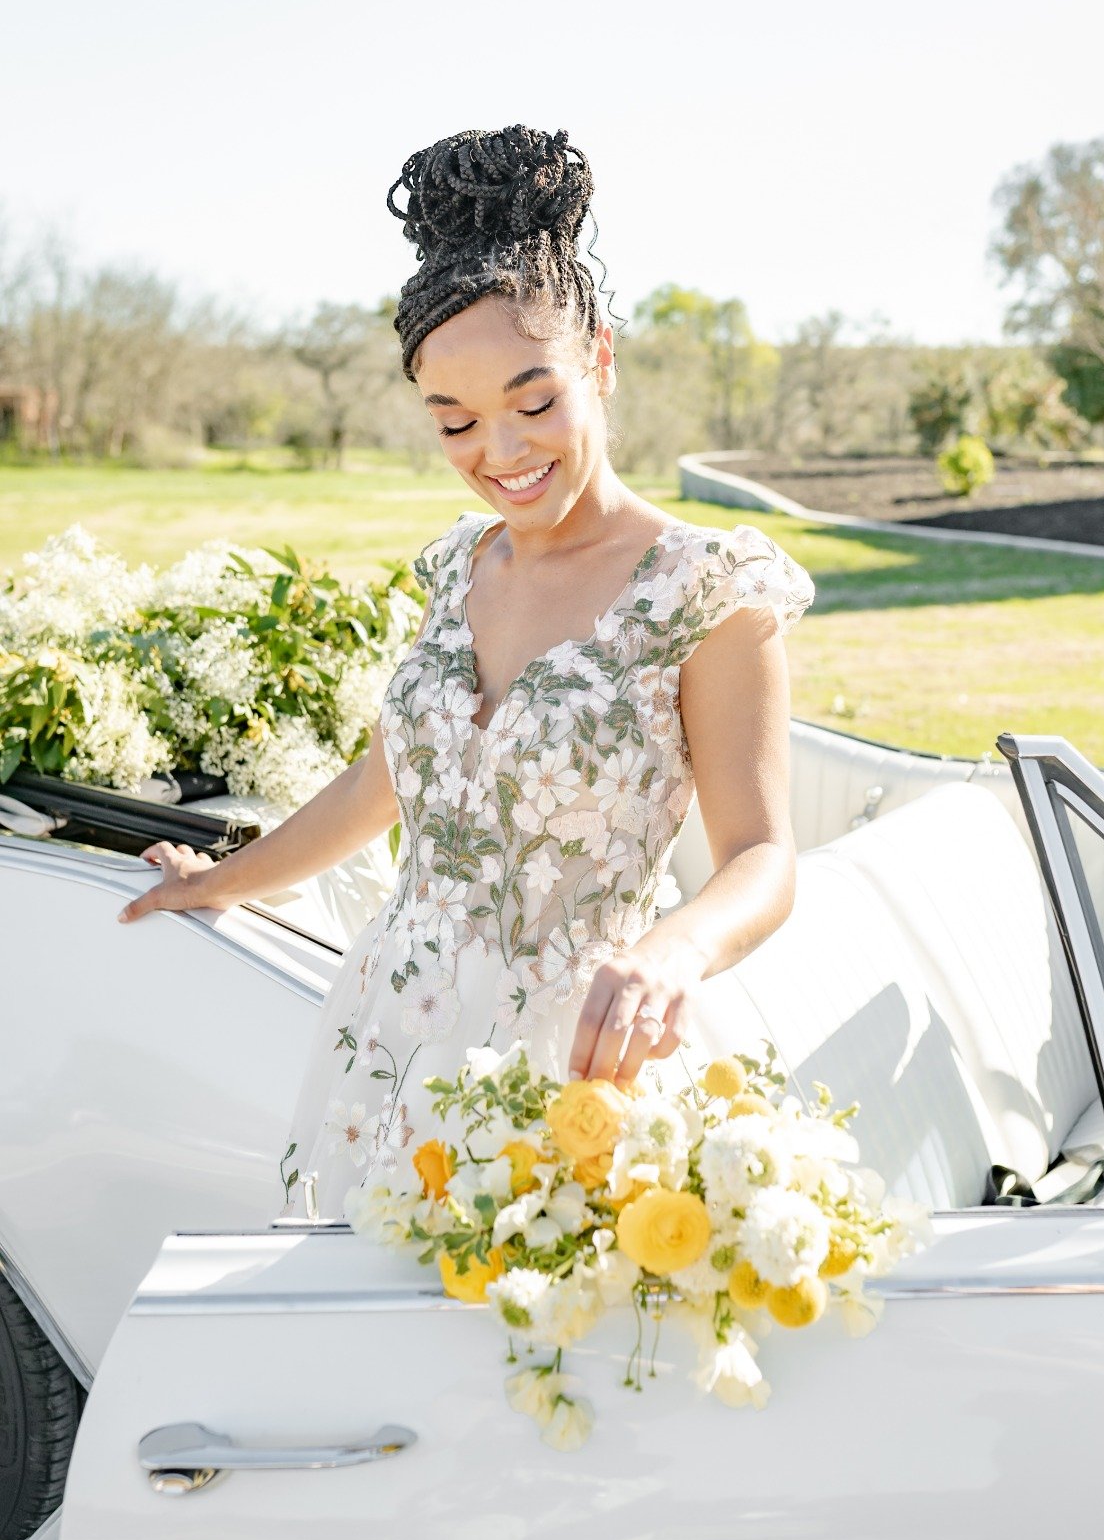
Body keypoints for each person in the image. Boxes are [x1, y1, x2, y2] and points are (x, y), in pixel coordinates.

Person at [116, 123, 815, 1222]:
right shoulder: (457, 567)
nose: (501, 452)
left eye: (534, 404)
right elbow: (381, 784)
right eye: (456, 420)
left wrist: (671, 954)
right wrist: (216, 880)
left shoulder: (709, 590)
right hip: (386, 1050)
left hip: (575, 1070)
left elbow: (763, 856)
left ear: (601, 361)